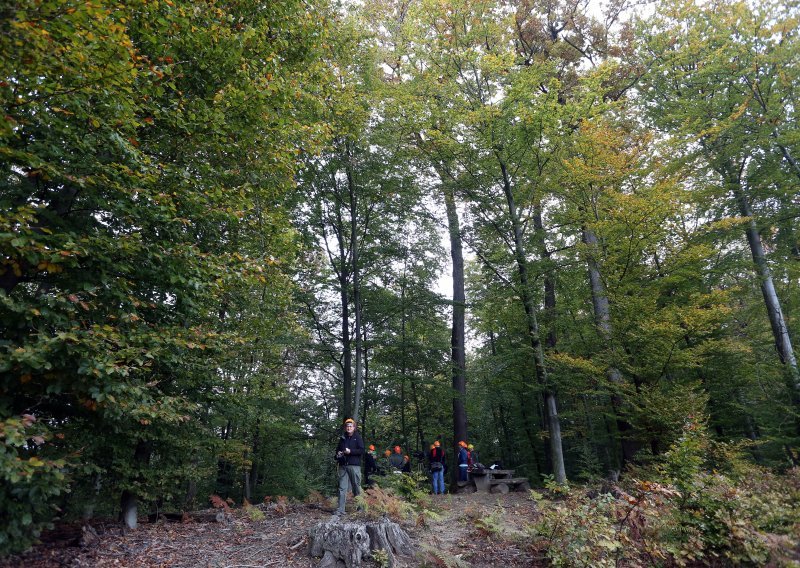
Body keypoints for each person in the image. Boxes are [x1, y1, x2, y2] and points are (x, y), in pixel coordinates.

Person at [335, 418, 364, 515]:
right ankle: (340, 509)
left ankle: (360, 508)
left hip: (354, 466)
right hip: (343, 465)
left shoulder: (358, 438)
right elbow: (337, 451)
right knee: (342, 488)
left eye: (350, 426)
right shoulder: (342, 438)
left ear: (354, 427)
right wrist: (338, 454)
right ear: (345, 427)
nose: (349, 428)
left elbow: (361, 451)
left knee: (356, 486)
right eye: (347, 426)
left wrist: (350, 451)